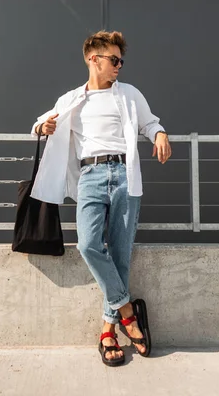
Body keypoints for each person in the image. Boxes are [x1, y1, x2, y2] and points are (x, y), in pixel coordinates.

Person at [30, 30, 171, 366]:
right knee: (89, 244)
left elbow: (150, 123)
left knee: (120, 253)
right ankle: (127, 310)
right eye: (114, 60)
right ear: (93, 59)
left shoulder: (130, 94)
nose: (119, 66)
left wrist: (160, 133)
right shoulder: (72, 99)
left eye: (121, 60)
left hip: (124, 174)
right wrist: (42, 128)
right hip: (91, 176)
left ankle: (108, 330)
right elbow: (39, 122)